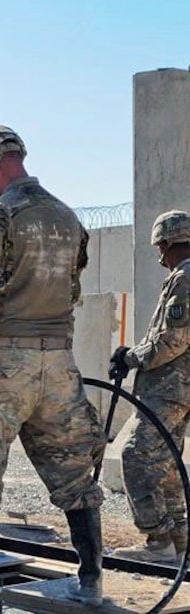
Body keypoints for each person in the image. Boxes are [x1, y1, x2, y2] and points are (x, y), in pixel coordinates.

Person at [0, 125, 105, 609]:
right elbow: (71, 293)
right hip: (58, 363)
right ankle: (92, 580)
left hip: (3, 364)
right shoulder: (67, 217)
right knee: (75, 472)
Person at [108, 210, 190, 565]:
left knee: (135, 454)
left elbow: (172, 340)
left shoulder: (185, 279)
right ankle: (178, 543)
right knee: (165, 463)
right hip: (177, 389)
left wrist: (131, 357)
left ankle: (157, 541)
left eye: (159, 245)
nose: (158, 253)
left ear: (167, 242)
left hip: (170, 387)